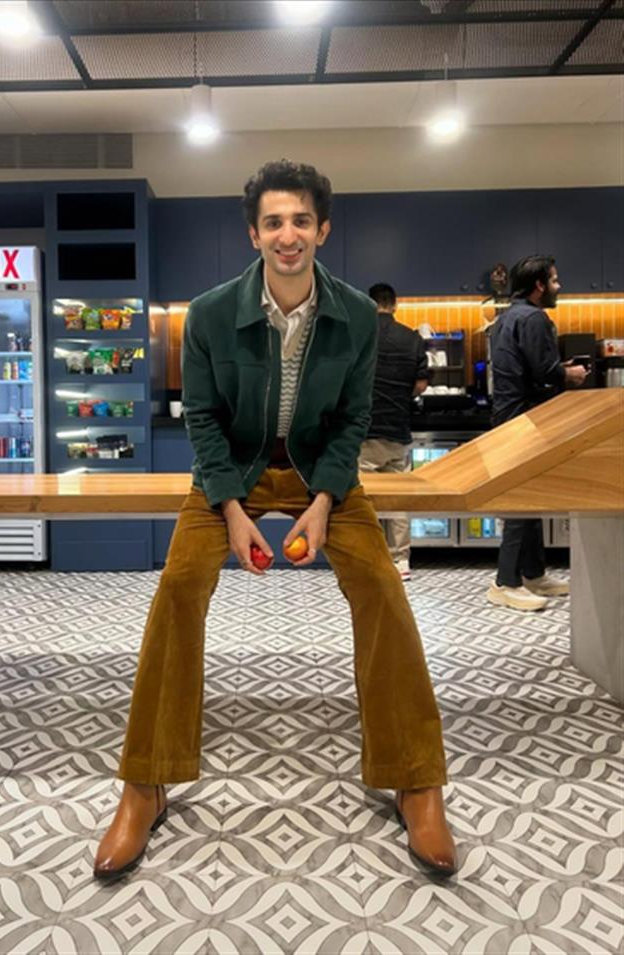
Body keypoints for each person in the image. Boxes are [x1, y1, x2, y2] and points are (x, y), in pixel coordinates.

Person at [94, 160, 457, 882]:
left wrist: (323, 502)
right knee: (178, 588)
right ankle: (145, 783)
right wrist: (231, 508)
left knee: (382, 586)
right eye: (273, 222)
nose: (287, 235)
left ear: (322, 230)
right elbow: (202, 417)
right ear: (253, 235)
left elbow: (353, 418)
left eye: (300, 220)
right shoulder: (208, 314)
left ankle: (416, 779)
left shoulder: (357, 316)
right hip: (230, 473)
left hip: (325, 474)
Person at [487, 255, 588, 612]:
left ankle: (533, 573)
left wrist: (556, 369)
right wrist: (570, 374)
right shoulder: (534, 318)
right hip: (525, 422)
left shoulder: (506, 317)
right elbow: (545, 372)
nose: (559, 287)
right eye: (555, 281)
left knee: (527, 499)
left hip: (509, 417)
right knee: (519, 502)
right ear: (539, 286)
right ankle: (505, 582)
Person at [358, 283, 429, 581]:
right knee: (398, 498)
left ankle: (371, 557)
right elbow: (421, 385)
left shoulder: (358, 335)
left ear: (368, 304)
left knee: (365, 498)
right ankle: (401, 561)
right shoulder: (412, 338)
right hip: (398, 429)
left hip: (364, 430)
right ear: (395, 305)